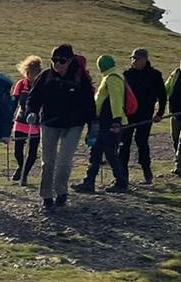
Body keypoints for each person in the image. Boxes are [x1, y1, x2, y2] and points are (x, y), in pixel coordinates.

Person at [26, 44, 94, 211]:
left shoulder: (80, 78)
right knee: (47, 162)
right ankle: (46, 196)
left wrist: (94, 125)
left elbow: (88, 103)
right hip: (49, 123)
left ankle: (61, 192)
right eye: (54, 60)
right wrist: (31, 111)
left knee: (64, 161)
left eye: (62, 60)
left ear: (70, 61)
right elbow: (33, 97)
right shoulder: (46, 76)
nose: (58, 63)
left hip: (73, 125)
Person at [76, 55, 131, 194]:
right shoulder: (113, 76)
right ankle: (90, 182)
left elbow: (116, 100)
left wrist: (116, 120)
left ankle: (120, 182)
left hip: (110, 123)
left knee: (109, 153)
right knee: (98, 152)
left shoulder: (112, 78)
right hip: (105, 122)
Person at [120, 48, 167, 184]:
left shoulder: (154, 75)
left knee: (142, 142)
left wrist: (160, 113)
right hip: (128, 115)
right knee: (124, 144)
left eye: (137, 58)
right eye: (132, 58)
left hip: (145, 115)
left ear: (145, 60)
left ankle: (147, 170)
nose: (134, 61)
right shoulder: (127, 75)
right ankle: (123, 176)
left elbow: (162, 96)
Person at [11, 56, 43, 184]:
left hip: (36, 123)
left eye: (35, 73)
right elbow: (14, 101)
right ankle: (21, 167)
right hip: (20, 121)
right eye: (30, 73)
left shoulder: (42, 85)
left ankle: (24, 173)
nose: (32, 76)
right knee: (17, 150)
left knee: (33, 152)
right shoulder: (21, 84)